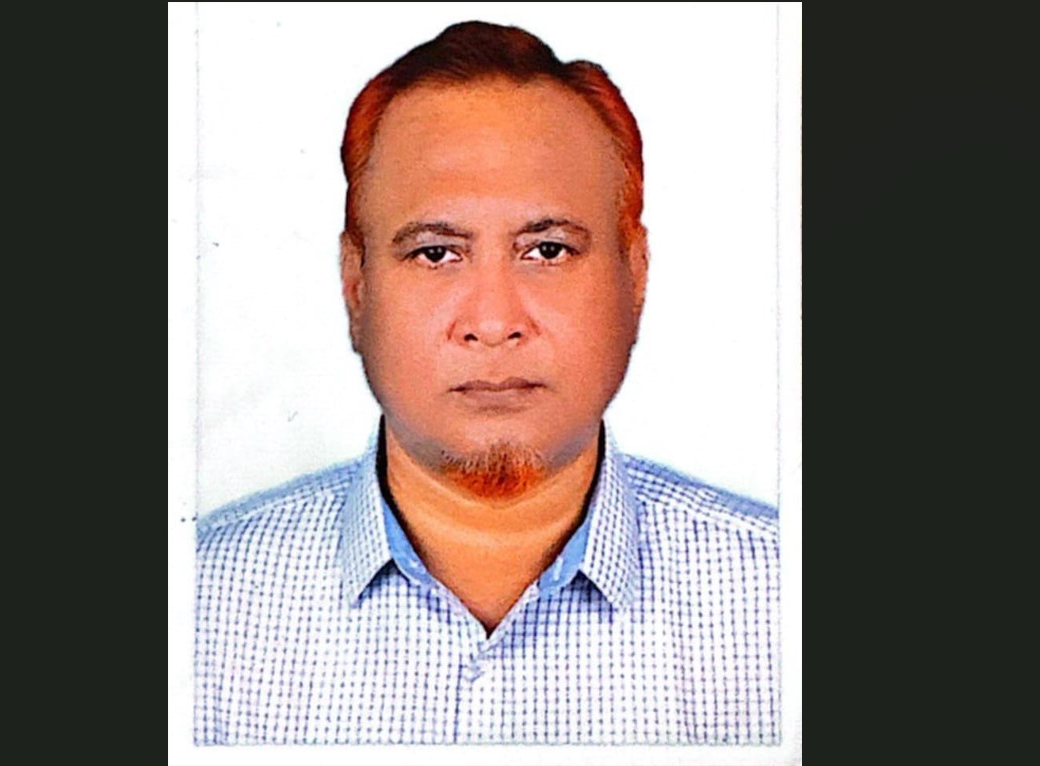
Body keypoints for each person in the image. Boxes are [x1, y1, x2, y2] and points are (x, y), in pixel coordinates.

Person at [195, 20, 779, 746]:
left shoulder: (781, 602)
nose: (495, 323)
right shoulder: (193, 610)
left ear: (635, 277)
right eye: (436, 253)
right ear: (356, 286)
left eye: (548, 250)